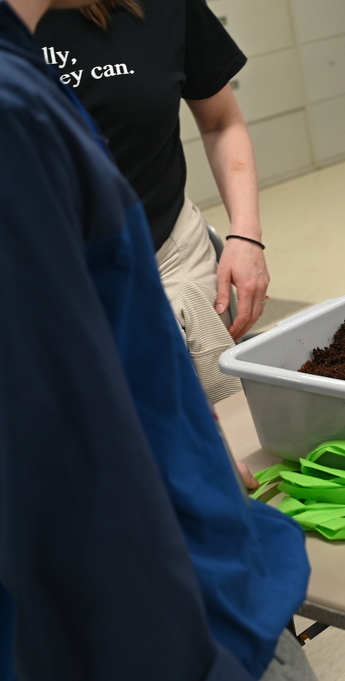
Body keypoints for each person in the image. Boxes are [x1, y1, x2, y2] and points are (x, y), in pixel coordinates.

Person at [0, 0, 316, 678]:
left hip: (162, 263)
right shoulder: (19, 109)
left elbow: (221, 116)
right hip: (130, 595)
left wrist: (244, 233)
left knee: (230, 466)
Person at [36, 0, 270, 405]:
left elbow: (220, 120)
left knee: (229, 431)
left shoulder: (165, 7)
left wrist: (246, 235)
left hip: (167, 256)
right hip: (45, 286)